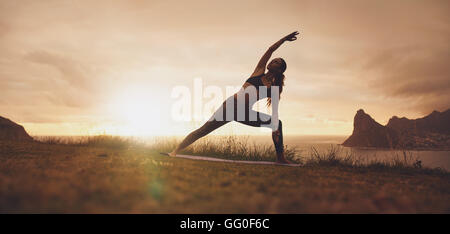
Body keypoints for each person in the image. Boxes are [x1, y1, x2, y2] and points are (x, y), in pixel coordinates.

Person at [169, 31, 299, 164]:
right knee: (203, 130)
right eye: (273, 60)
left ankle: (280, 158)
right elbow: (270, 50)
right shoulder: (259, 71)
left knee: (277, 123)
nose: (272, 61)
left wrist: (275, 129)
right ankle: (175, 151)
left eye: (276, 62)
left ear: (279, 70)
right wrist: (284, 39)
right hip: (231, 106)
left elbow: (275, 113)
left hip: (244, 113)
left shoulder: (273, 89)